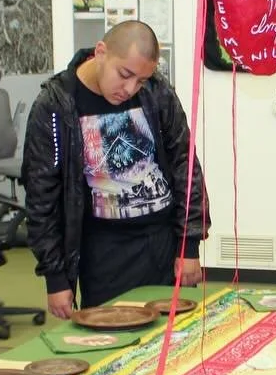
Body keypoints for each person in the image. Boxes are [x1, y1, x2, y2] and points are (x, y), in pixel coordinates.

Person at [24, 21, 206, 318]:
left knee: (174, 344)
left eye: (141, 80)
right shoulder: (56, 105)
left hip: (163, 244)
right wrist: (55, 277)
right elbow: (41, 194)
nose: (130, 88)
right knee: (116, 347)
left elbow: (186, 165)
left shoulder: (157, 93)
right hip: (104, 252)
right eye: (125, 75)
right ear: (100, 52)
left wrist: (189, 244)